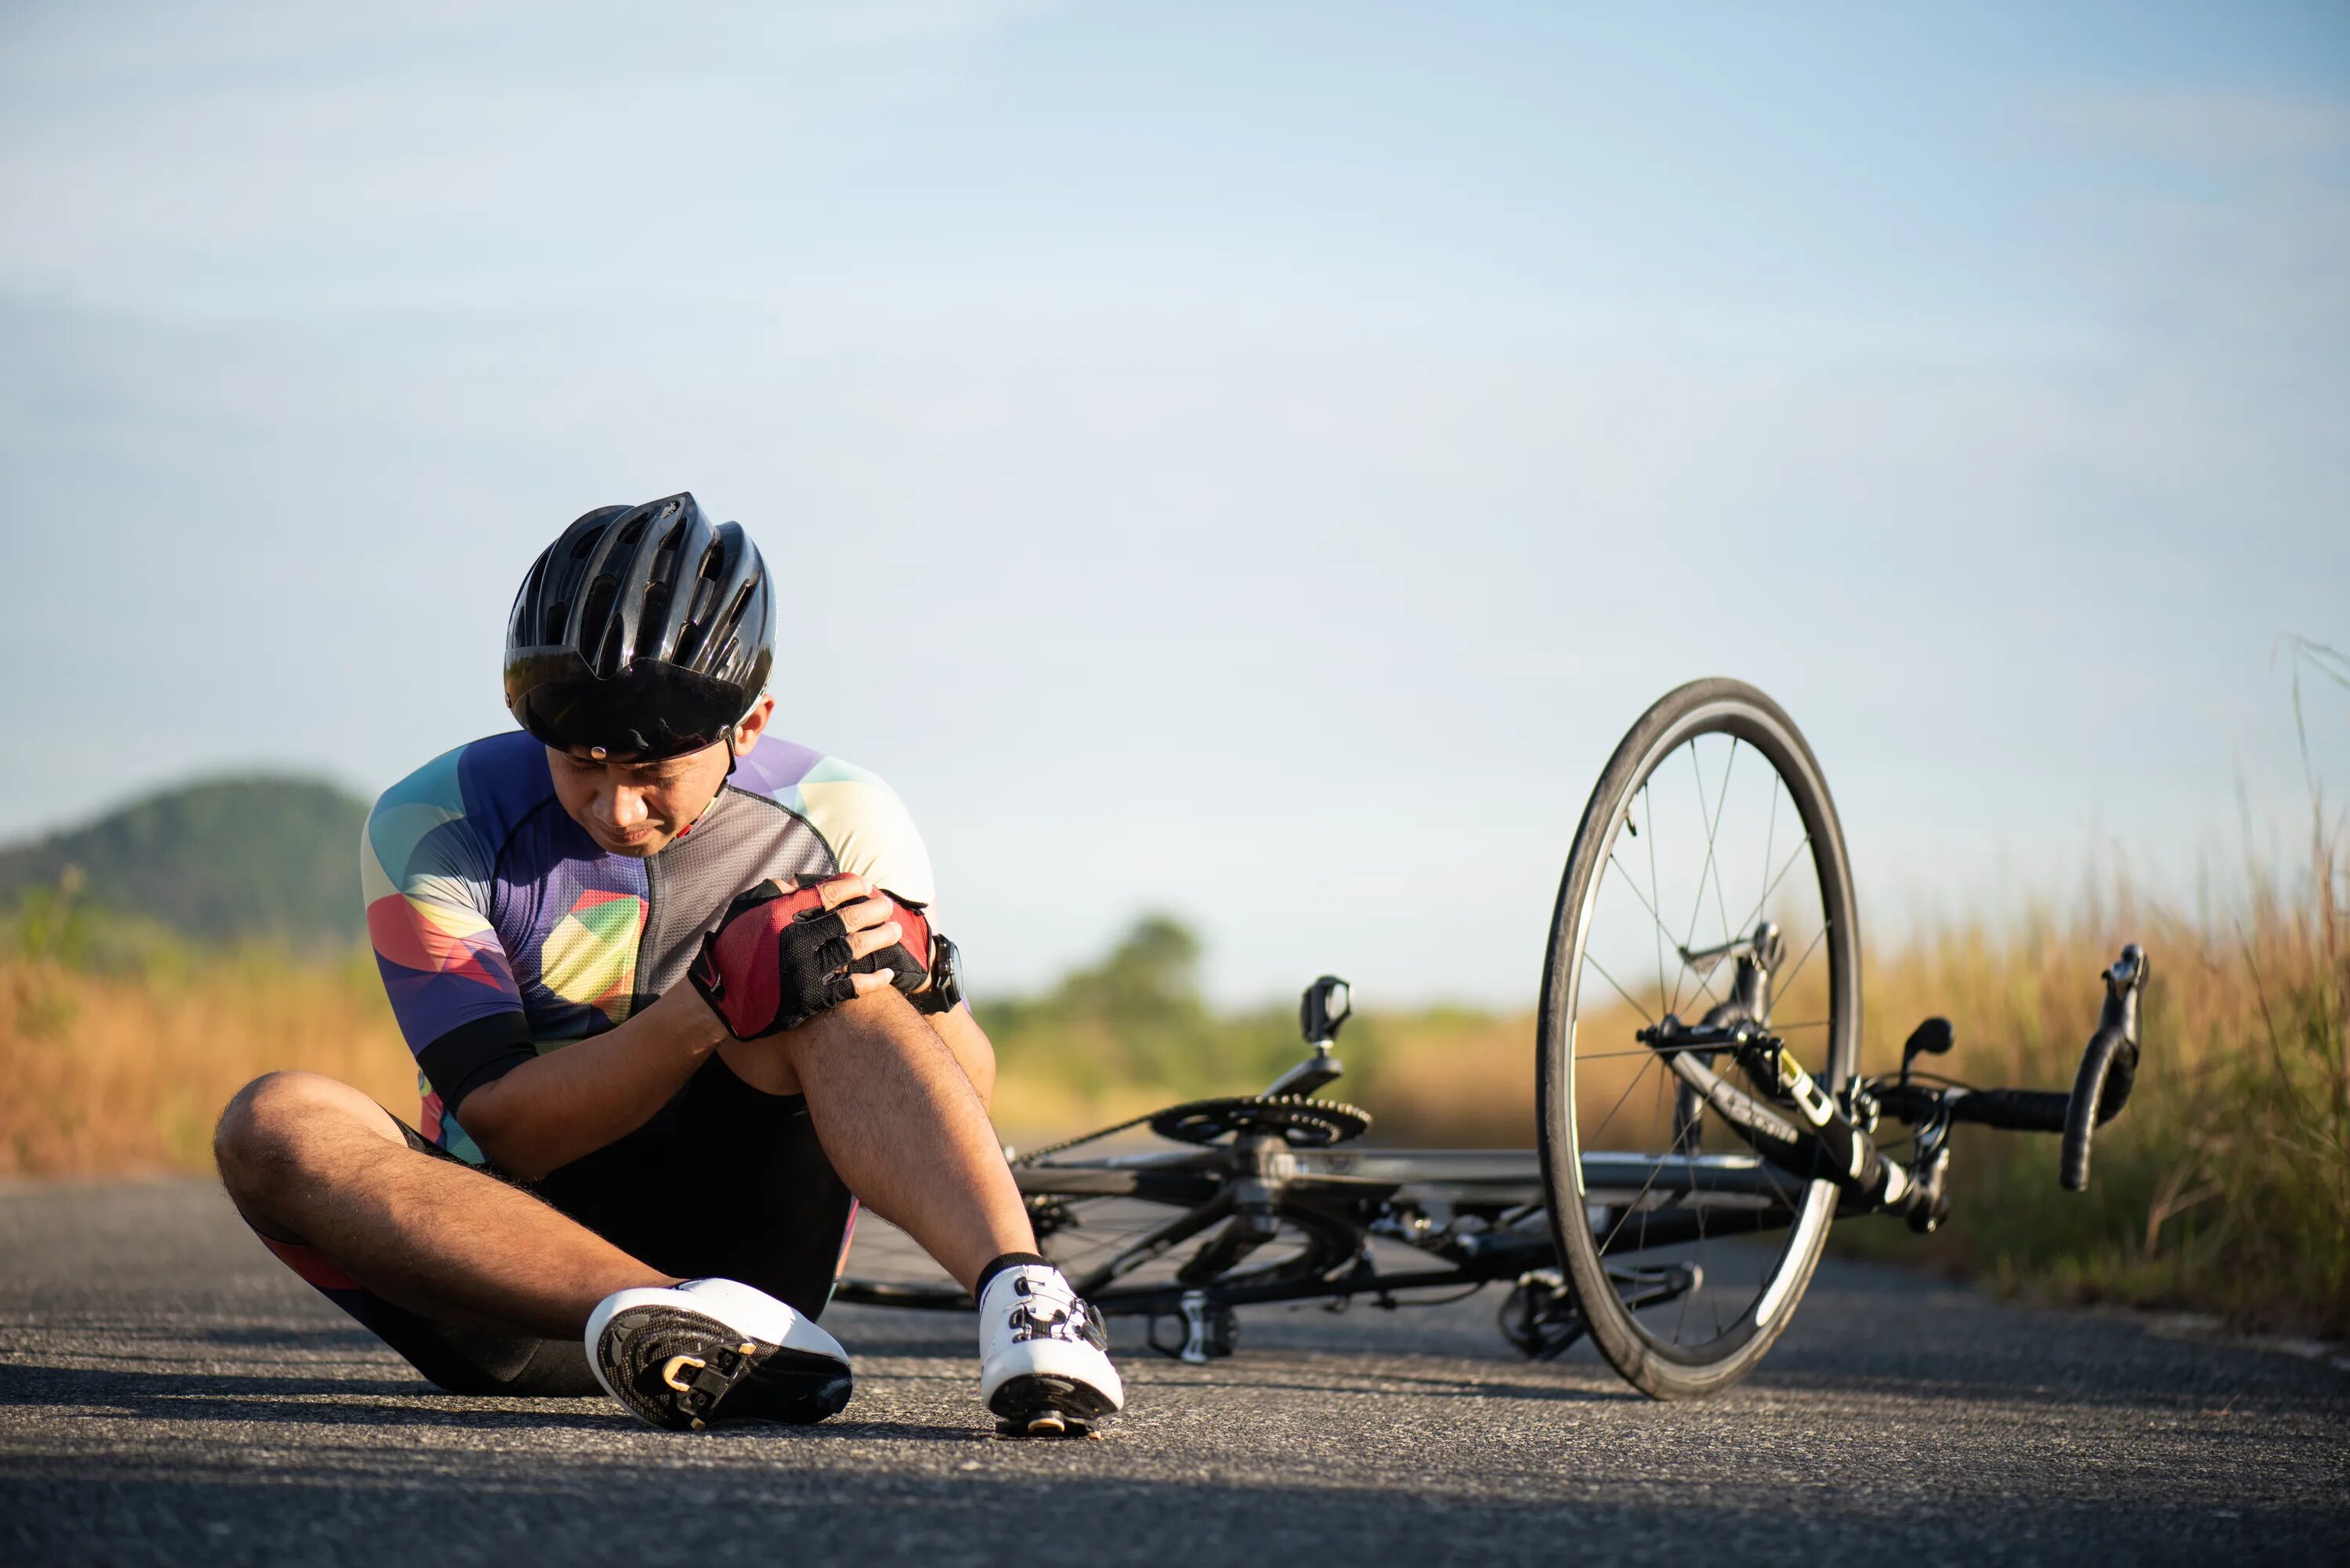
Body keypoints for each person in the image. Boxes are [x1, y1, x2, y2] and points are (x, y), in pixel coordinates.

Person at [212, 492, 1123, 1436]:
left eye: (654, 772)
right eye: (582, 763)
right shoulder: (434, 822)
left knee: (823, 967)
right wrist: (710, 1005)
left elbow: (962, 1089)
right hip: (505, 1292)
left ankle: (1026, 1299)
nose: (618, 808)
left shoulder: (843, 815)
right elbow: (509, 1129)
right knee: (271, 1124)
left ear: (751, 723)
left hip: (757, 1259)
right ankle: (678, 1320)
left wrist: (926, 989)